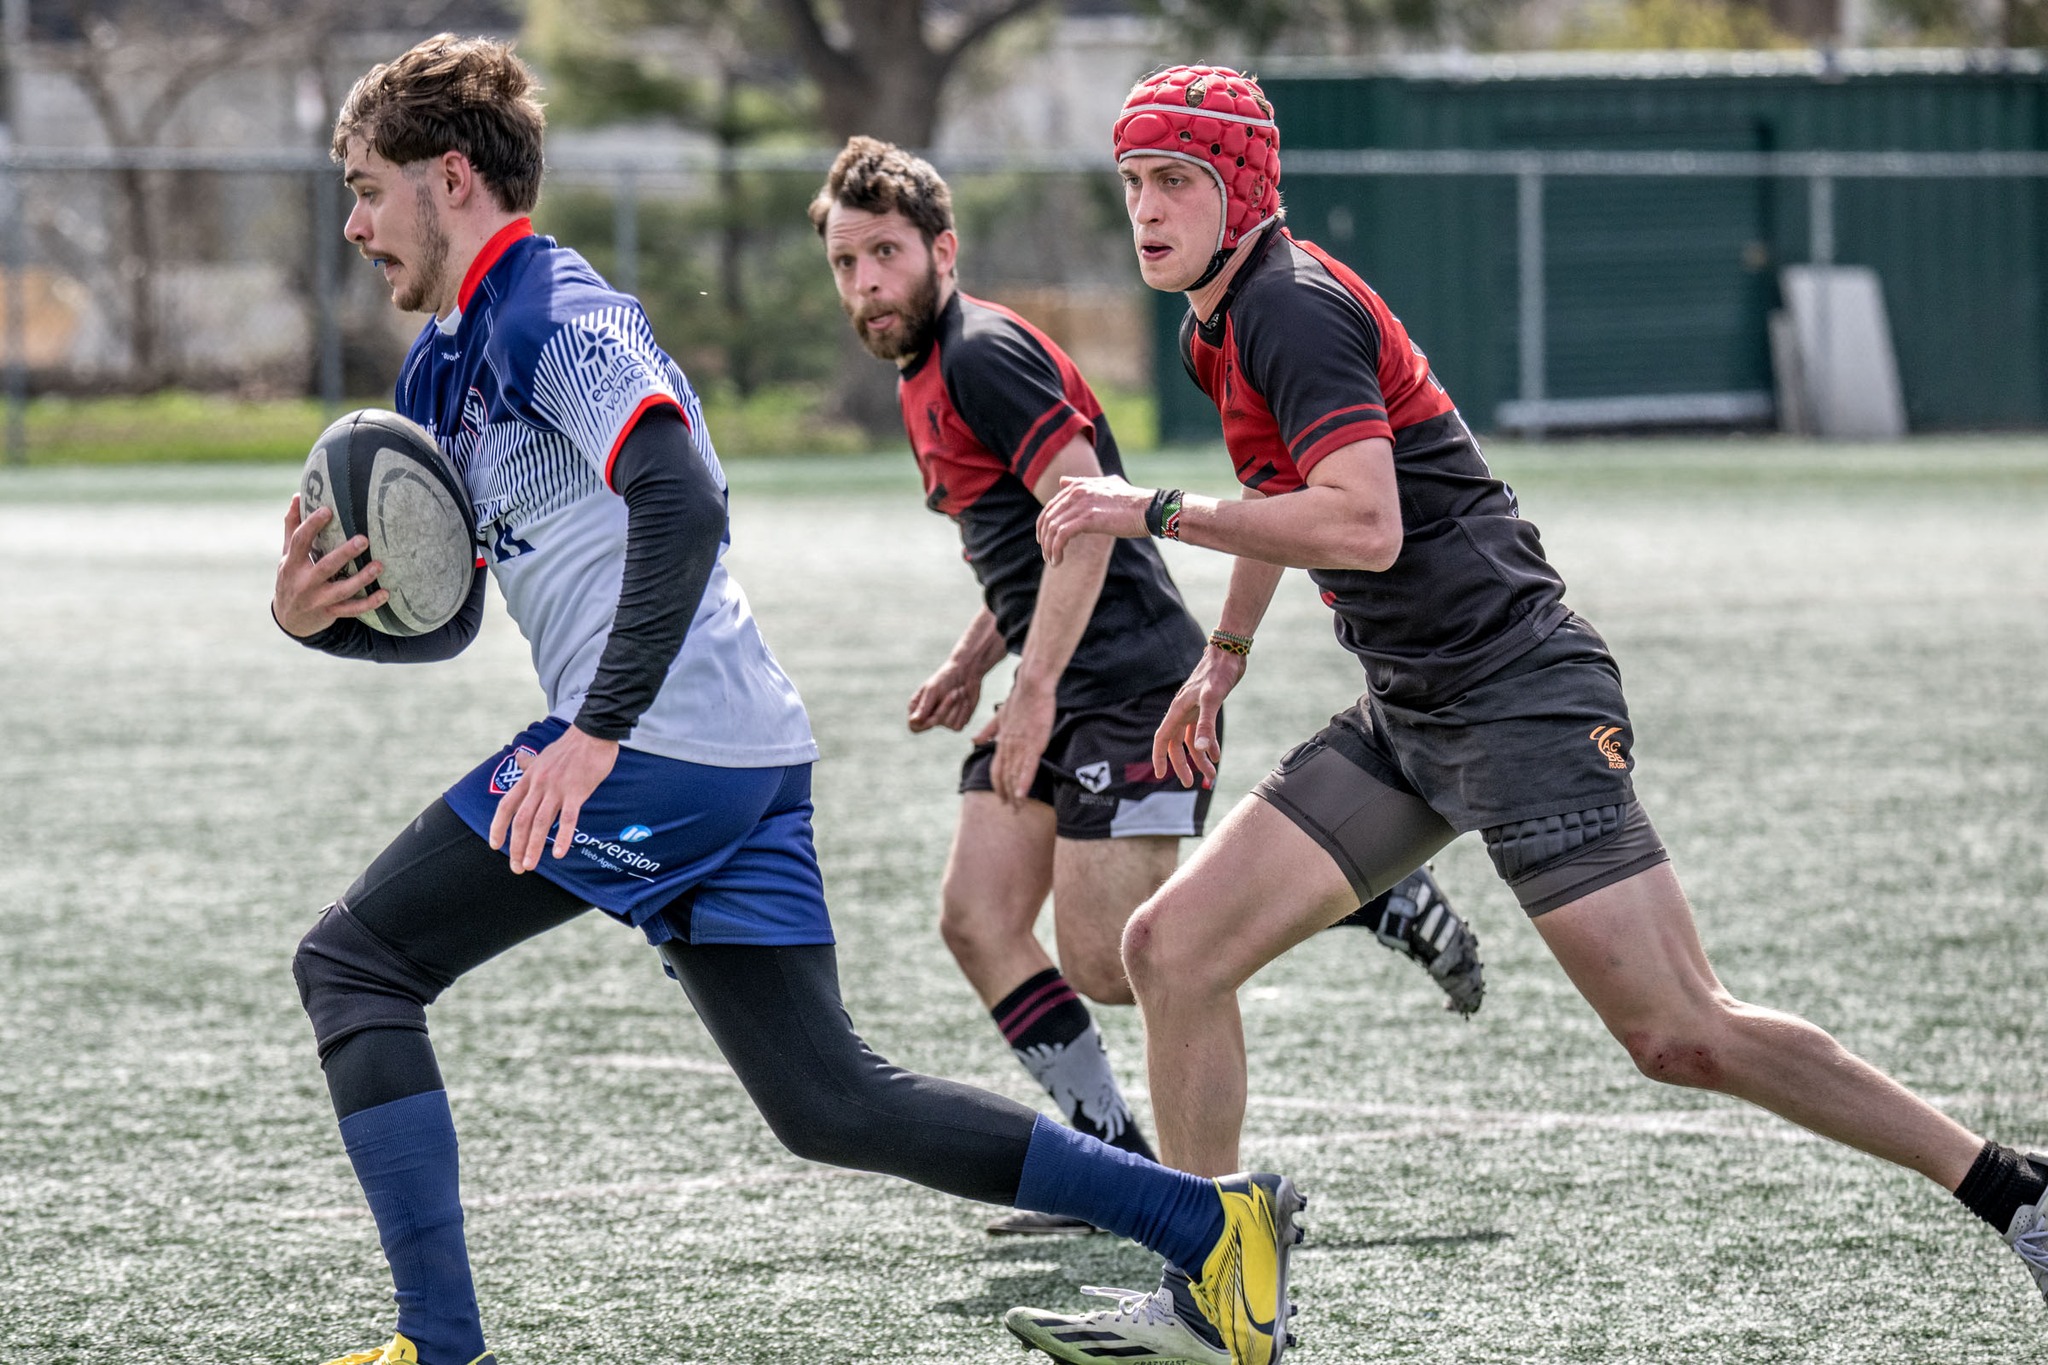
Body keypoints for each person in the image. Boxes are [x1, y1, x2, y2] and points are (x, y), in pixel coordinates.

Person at [278, 38, 1305, 1365]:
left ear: (454, 177)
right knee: (829, 1101)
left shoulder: (550, 310)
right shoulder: (442, 369)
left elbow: (683, 501)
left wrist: (592, 738)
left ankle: (440, 1348)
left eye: (368, 187)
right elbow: (454, 608)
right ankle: (1213, 1229)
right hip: (733, 753)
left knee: (354, 962)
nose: (355, 223)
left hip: (658, 749)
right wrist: (326, 622)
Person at [1004, 62, 2048, 1363]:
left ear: (1244, 191)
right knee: (1173, 951)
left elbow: (1365, 523)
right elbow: (1282, 485)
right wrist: (1223, 655)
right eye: (1133, 184)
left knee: (1679, 1031)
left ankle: (2018, 1193)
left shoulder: (1292, 305)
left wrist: (1145, 507)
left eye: (1176, 182)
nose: (1147, 211)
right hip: (1416, 705)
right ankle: (1216, 1284)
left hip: (1517, 692)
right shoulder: (1222, 318)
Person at [809, 139, 1484, 1238]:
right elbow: (1030, 549)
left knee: (1112, 955)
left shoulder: (980, 351)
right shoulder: (922, 375)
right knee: (977, 919)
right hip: (1051, 672)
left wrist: (1027, 695)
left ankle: (1362, 891)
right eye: (845, 264)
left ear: (942, 249)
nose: (866, 284)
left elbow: (1082, 522)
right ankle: (1111, 1161)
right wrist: (976, 661)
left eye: (885, 255)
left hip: (1119, 677)